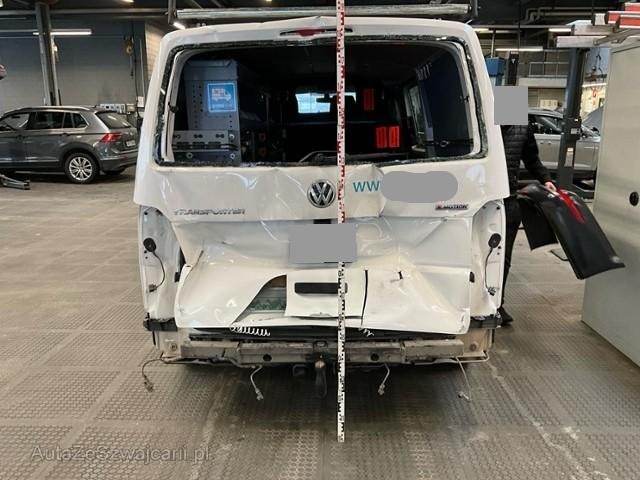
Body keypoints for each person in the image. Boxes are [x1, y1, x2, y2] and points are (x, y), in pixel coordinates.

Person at [500, 124, 556, 325]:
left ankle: (496, 304)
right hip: (481, 199)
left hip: (507, 200)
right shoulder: (480, 112)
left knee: (502, 257)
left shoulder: (519, 124)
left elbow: (531, 158)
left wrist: (545, 179)